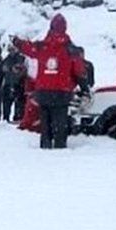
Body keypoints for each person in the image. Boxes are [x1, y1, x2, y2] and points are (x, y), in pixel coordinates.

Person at [13, 14, 89, 149]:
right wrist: (85, 89)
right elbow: (80, 72)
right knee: (60, 125)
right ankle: (59, 149)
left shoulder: (42, 46)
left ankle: (45, 148)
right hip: (62, 93)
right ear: (65, 28)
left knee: (45, 125)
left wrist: (17, 42)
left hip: (43, 92)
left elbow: (28, 48)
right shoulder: (71, 49)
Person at [2, 44, 26, 122]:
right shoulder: (6, 59)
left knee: (19, 103)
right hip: (8, 83)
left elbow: (22, 70)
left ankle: (18, 117)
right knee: (6, 104)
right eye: (10, 49)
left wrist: (16, 70)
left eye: (13, 49)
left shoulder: (21, 59)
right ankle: (6, 118)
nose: (11, 51)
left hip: (18, 84)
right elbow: (3, 69)